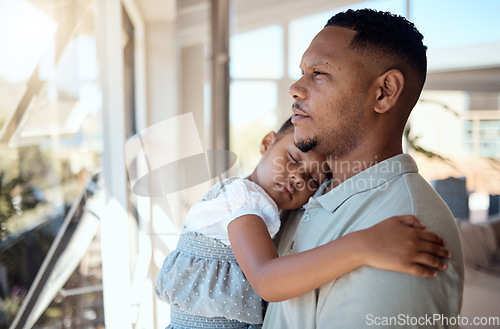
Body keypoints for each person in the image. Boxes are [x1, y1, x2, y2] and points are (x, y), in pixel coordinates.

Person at [262, 9, 465, 329]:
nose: (296, 88)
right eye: (302, 71)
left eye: (319, 73)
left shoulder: (407, 230)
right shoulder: (307, 191)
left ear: (384, 92)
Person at [154, 118, 451, 329]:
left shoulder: (266, 208)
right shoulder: (242, 200)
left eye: (312, 179)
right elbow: (267, 279)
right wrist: (364, 245)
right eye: (294, 159)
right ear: (267, 142)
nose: (298, 177)